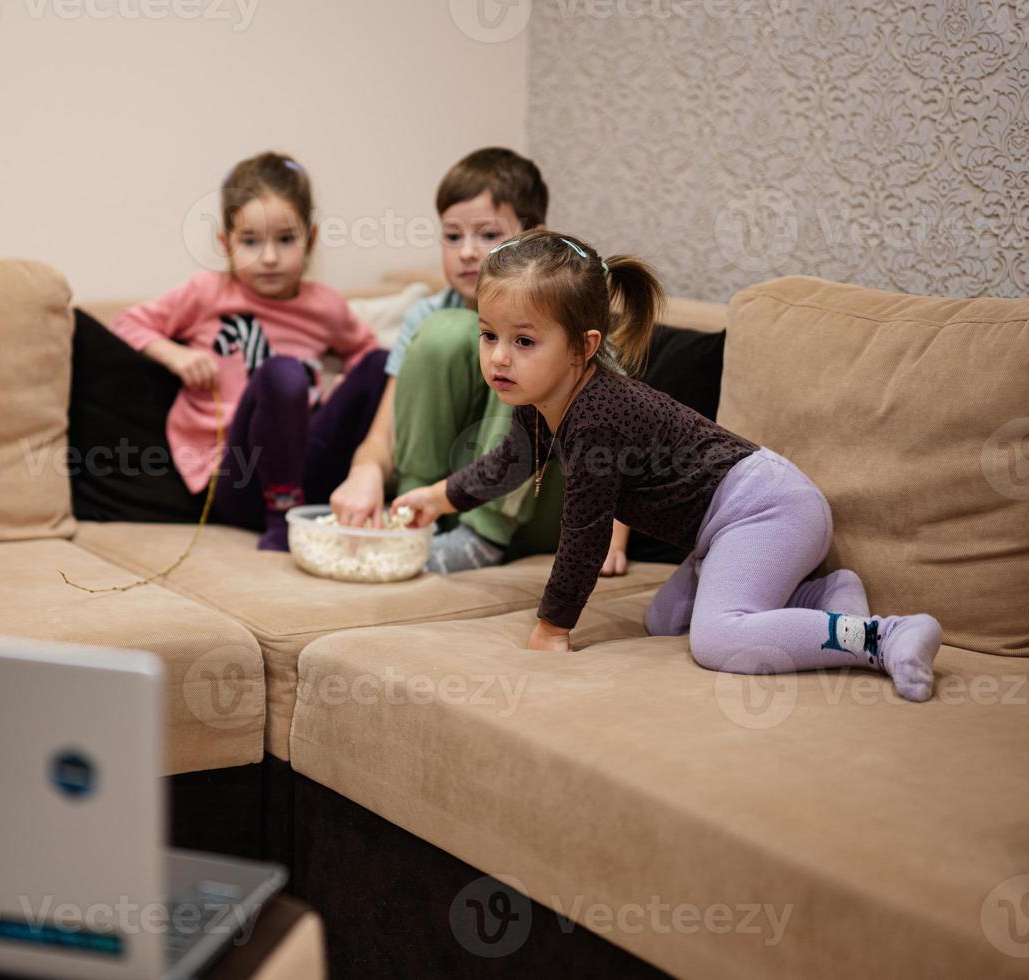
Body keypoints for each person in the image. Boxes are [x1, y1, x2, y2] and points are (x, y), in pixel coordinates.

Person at [392, 229, 941, 701]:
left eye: (524, 341)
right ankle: (826, 597)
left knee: (718, 641)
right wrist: (437, 497)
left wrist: (553, 627)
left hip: (767, 508)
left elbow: (585, 533)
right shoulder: (543, 403)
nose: (498, 357)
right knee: (664, 622)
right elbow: (508, 464)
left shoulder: (596, 413)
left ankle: (884, 637)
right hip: (726, 526)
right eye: (489, 335)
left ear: (583, 347)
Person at [328, 147, 632, 574]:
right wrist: (365, 473)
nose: (467, 252)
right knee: (448, 330)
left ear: (533, 238)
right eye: (453, 236)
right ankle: (413, 522)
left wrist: (613, 538)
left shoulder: (571, 321)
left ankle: (483, 535)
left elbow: (616, 438)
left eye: (488, 235)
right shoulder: (427, 315)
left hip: (545, 508)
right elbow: (384, 436)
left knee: (517, 349)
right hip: (443, 506)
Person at [110, 151, 384, 550]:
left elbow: (366, 352)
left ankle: (342, 498)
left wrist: (339, 382)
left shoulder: (324, 305)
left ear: (311, 238)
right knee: (280, 373)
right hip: (235, 478)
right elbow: (126, 323)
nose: (269, 257)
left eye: (286, 239)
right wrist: (178, 355)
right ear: (226, 243)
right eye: (251, 241)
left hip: (307, 464)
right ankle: (281, 519)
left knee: (382, 363)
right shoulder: (207, 293)